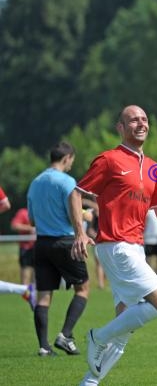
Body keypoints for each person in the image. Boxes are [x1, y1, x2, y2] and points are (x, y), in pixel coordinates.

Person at [69, 105, 157, 386]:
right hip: (116, 246)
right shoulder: (109, 159)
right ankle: (97, 337)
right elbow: (76, 193)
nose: (140, 123)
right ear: (120, 127)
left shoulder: (154, 168)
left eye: (144, 119)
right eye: (133, 120)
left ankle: (89, 383)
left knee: (126, 327)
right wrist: (80, 233)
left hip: (135, 247)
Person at [27, 142, 89, 357]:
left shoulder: (35, 183)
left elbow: (32, 220)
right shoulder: (67, 182)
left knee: (43, 296)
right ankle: (65, 335)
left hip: (42, 243)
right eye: (72, 159)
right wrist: (85, 216)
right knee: (83, 289)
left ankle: (44, 347)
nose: (72, 163)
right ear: (66, 158)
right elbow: (73, 213)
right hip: (64, 242)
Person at [10, 207, 36, 285]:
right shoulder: (23, 212)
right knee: (26, 277)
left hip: (40, 248)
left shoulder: (43, 211)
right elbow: (14, 225)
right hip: (26, 249)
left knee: (38, 278)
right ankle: (28, 295)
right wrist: (31, 229)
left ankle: (35, 296)